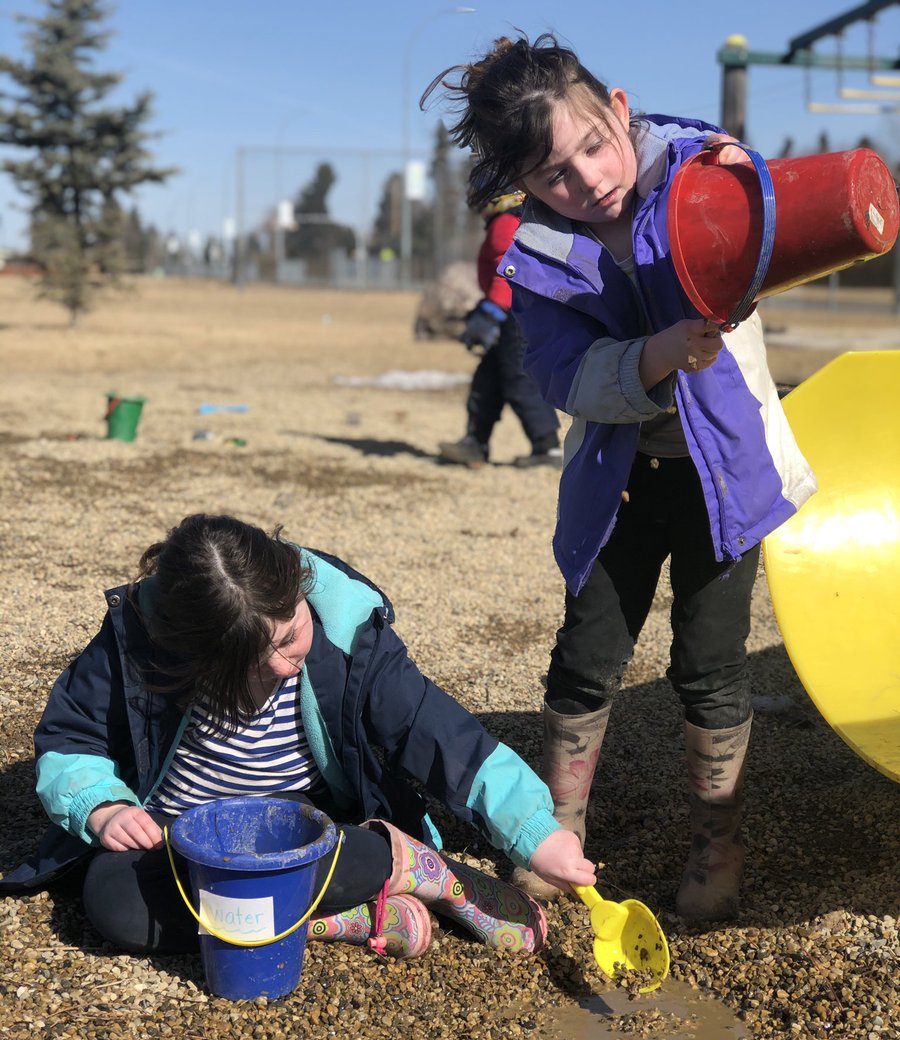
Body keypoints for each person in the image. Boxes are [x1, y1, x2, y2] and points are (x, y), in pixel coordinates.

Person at [428, 34, 817, 922]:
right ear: (524, 184)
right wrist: (650, 357)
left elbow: (769, 202)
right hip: (623, 480)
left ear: (620, 110)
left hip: (724, 478)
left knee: (710, 666)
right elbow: (565, 379)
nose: (588, 179)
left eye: (594, 146)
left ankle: (719, 845)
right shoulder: (537, 257)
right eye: (554, 174)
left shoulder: (699, 177)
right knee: (585, 658)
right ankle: (555, 831)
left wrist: (741, 176)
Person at [1, 514, 596, 961]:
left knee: (322, 853)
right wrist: (101, 806)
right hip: (178, 832)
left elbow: (437, 731)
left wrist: (535, 830)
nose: (293, 656)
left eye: (294, 630)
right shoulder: (135, 646)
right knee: (117, 905)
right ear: (201, 660)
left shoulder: (343, 635)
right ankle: (350, 917)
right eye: (269, 656)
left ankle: (411, 865)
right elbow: (72, 737)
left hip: (297, 822)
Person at [439, 188, 562, 469]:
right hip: (512, 316)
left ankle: (547, 447)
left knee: (521, 381)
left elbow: (510, 273)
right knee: (488, 380)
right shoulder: (512, 221)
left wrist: (491, 312)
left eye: (480, 201)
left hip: (515, 319)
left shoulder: (504, 224)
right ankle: (475, 442)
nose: (478, 209)